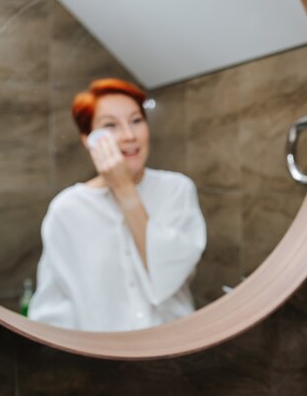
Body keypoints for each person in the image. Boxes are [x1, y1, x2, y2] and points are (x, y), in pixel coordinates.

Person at [28, 78, 206, 332]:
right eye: (110, 125)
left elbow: (169, 278)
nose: (129, 135)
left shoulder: (176, 190)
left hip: (173, 348)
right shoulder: (67, 209)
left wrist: (125, 189)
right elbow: (53, 309)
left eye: (136, 120)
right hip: (99, 361)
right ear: (87, 139)